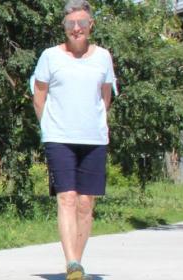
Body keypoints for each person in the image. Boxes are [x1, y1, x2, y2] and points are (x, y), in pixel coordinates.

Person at [30, 1, 117, 279]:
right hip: (59, 137)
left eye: (81, 23)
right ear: (64, 27)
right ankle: (72, 264)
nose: (76, 29)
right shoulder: (49, 57)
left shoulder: (103, 57)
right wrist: (49, 128)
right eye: (70, 24)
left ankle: (77, 262)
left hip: (93, 138)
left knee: (85, 202)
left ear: (91, 25)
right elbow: (39, 96)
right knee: (66, 197)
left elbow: (105, 97)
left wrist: (97, 123)